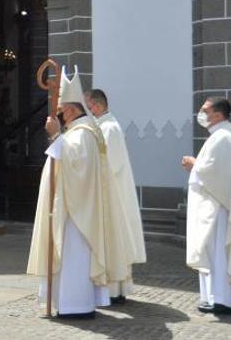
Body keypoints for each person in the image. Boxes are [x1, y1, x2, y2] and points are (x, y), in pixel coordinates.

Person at [27, 68, 136, 319]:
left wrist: (55, 134)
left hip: (76, 215)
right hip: (71, 208)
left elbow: (78, 165)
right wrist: (58, 135)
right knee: (70, 259)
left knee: (73, 258)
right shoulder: (81, 130)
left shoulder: (84, 132)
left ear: (72, 110)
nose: (59, 115)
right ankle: (69, 303)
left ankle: (74, 305)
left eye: (61, 110)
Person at [182, 97, 231, 314]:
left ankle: (224, 300)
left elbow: (215, 174)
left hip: (220, 211)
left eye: (205, 110)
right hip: (222, 207)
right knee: (220, 254)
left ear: (217, 114)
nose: (201, 114)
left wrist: (194, 165)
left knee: (219, 253)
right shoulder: (226, 136)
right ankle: (224, 297)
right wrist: (199, 166)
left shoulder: (222, 138)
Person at [85, 89, 147, 302]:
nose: (88, 111)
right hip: (109, 192)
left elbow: (108, 164)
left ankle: (112, 290)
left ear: (98, 105)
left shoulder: (108, 128)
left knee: (112, 240)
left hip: (111, 195)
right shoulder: (103, 126)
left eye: (89, 106)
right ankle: (113, 290)